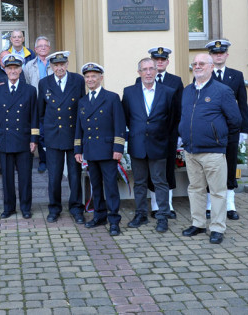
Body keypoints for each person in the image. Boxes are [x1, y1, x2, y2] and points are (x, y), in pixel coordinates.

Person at [179, 53, 242, 244]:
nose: (197, 66)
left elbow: (235, 120)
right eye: (195, 64)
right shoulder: (188, 90)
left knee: (217, 191)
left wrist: (218, 138)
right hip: (191, 151)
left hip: (213, 152)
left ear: (211, 67)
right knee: (195, 189)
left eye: (201, 64)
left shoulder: (222, 91)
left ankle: (217, 228)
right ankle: (198, 224)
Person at [122, 58, 176, 233]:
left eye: (151, 69)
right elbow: (127, 118)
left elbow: (172, 119)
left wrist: (162, 137)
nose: (148, 72)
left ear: (156, 71)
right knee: (139, 182)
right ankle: (141, 215)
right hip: (138, 145)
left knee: (160, 182)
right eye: (144, 69)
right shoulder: (129, 92)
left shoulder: (168, 92)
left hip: (159, 145)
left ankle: (162, 216)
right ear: (139, 72)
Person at [74, 62, 125, 237]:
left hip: (108, 149)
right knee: (95, 186)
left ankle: (114, 220)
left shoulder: (111, 97)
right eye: (87, 77)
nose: (90, 79)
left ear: (101, 78)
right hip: (90, 150)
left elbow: (119, 124)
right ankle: (99, 216)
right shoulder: (82, 101)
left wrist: (118, 147)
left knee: (110, 186)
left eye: (93, 76)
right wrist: (78, 150)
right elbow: (78, 127)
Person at [37, 51, 86, 224]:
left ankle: (76, 208)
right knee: (54, 176)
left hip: (73, 136)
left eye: (62, 64)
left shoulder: (78, 80)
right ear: (51, 66)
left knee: (74, 175)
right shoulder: (44, 83)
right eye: (55, 65)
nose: (59, 68)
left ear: (67, 64)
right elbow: (41, 113)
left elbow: (82, 109)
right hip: (53, 136)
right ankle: (54, 208)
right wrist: (44, 135)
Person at [136, 47, 184, 219]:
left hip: (168, 135)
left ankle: (168, 205)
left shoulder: (175, 81)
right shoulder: (139, 80)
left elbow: (178, 110)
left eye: (163, 60)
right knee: (151, 172)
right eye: (156, 60)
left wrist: (177, 134)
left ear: (167, 62)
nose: (160, 62)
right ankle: (156, 205)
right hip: (148, 137)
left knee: (167, 170)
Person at [0, 53, 39, 219]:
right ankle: (9, 207)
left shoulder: (30, 90)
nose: (12, 71)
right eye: (9, 68)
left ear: (20, 70)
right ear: (4, 69)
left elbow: (34, 117)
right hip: (4, 139)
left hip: (24, 140)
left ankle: (26, 207)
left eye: (15, 68)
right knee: (7, 178)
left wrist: (34, 139)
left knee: (25, 177)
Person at [207, 39, 248, 220]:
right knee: (211, 166)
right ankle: (210, 204)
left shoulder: (236, 76)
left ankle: (230, 204)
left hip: (232, 129)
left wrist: (244, 130)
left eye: (221, 53)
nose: (218, 56)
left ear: (226, 55)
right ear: (210, 55)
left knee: (230, 164)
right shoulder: (204, 74)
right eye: (215, 53)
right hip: (211, 129)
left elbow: (242, 104)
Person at [24, 36, 53, 174]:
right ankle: (42, 160)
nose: (43, 48)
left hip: (53, 104)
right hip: (36, 102)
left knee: (52, 131)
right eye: (40, 46)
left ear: (49, 48)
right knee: (40, 132)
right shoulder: (29, 65)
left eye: (45, 46)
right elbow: (28, 84)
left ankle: (52, 160)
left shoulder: (55, 63)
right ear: (35, 49)